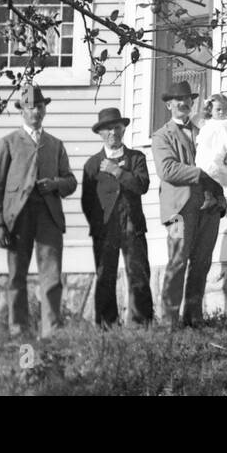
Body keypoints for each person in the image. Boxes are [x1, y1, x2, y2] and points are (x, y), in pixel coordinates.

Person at [0, 83, 77, 338]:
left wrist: (55, 184)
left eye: (39, 106)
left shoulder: (55, 145)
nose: (35, 112)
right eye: (29, 107)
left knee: (51, 276)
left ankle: (52, 331)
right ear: (22, 111)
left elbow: (70, 182)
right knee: (17, 275)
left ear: (45, 109)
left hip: (48, 216)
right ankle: (19, 331)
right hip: (18, 218)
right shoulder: (8, 143)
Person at [152, 80, 227, 328]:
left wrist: (220, 195)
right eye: (178, 100)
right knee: (177, 261)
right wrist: (201, 172)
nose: (183, 103)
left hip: (209, 206)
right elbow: (168, 170)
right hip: (177, 211)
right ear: (168, 104)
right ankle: (169, 320)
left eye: (187, 99)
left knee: (202, 262)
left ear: (192, 102)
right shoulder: (161, 136)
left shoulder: (205, 130)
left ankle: (193, 316)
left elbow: (218, 166)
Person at [81, 106, 153, 328]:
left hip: (133, 226)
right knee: (105, 277)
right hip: (105, 230)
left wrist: (117, 172)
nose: (113, 133)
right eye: (108, 129)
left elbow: (142, 186)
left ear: (123, 130)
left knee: (139, 275)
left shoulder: (136, 158)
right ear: (100, 133)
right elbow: (87, 201)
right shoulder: (92, 164)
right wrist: (99, 226)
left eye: (117, 128)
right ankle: (106, 324)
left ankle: (141, 323)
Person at [194, 93, 227, 209]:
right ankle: (214, 197)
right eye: (218, 109)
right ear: (210, 110)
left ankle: (213, 197)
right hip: (206, 154)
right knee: (204, 174)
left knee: (213, 174)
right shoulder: (208, 124)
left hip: (219, 154)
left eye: (225, 109)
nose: (222, 112)